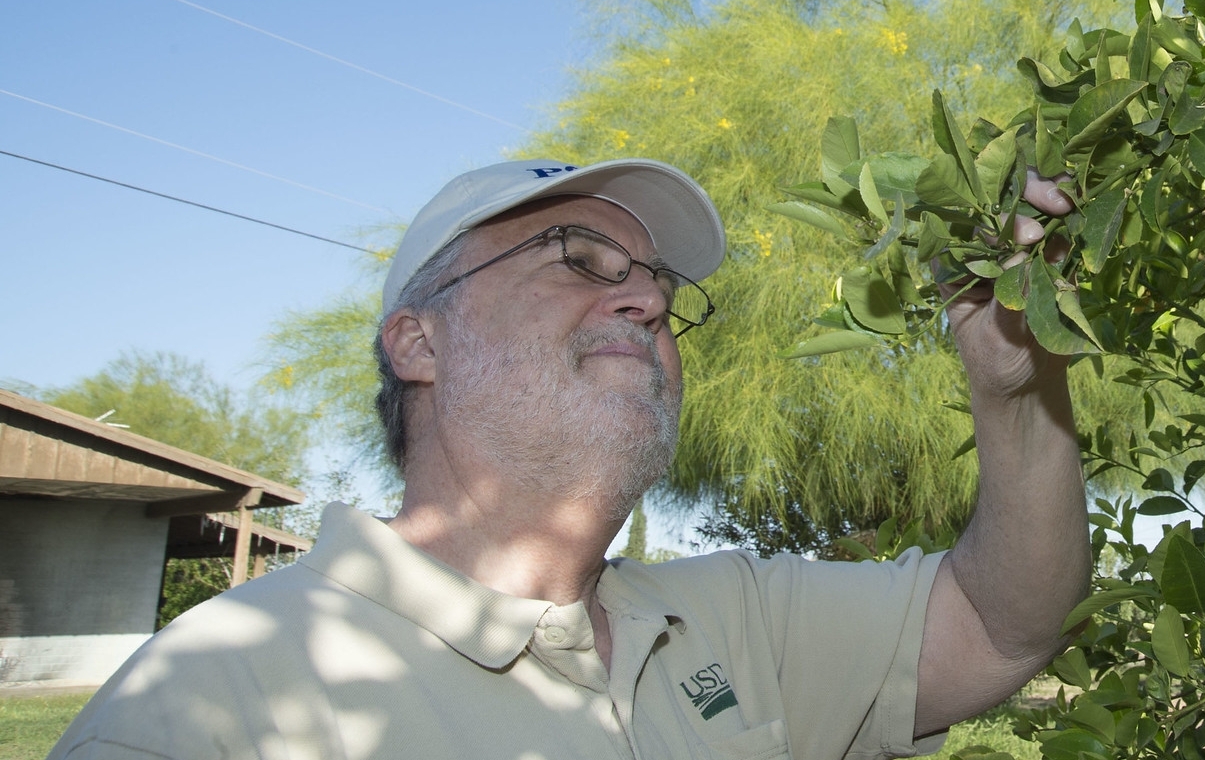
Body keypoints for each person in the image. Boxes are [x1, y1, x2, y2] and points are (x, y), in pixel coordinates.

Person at [50, 158, 1089, 760]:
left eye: (658, 286)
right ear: (418, 342)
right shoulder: (215, 700)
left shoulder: (735, 619)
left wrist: (1016, 389)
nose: (646, 299)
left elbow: (1002, 621)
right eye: (578, 262)